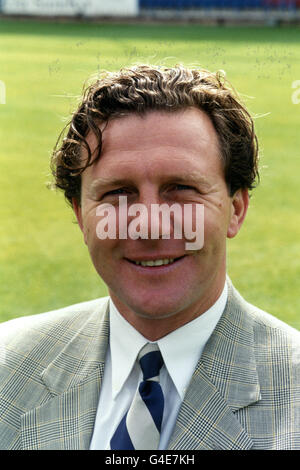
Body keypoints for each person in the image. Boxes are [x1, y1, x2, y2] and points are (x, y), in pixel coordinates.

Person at [0, 65, 300, 451]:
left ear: (235, 208)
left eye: (181, 188)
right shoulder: (8, 368)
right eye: (118, 193)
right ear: (80, 213)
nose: (150, 225)